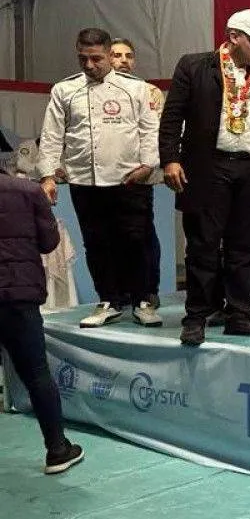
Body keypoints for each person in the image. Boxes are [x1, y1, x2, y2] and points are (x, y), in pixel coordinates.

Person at [160, 9, 250, 346]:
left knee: (245, 246)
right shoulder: (194, 66)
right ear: (234, 37)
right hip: (209, 167)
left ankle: (239, 313)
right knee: (203, 245)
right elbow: (172, 116)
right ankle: (196, 317)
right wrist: (170, 159)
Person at [37, 28, 162, 328]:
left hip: (129, 178)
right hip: (84, 180)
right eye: (83, 58)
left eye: (96, 58)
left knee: (136, 240)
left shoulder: (135, 88)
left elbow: (149, 129)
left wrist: (148, 165)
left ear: (108, 54)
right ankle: (108, 300)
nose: (89, 65)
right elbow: (52, 135)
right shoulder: (64, 90)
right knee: (96, 243)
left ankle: (143, 301)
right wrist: (47, 176)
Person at [0, 166, 85, 474]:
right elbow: (49, 242)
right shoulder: (28, 190)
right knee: (37, 374)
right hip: (19, 293)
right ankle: (58, 450)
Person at [111, 37, 166, 311]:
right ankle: (117, 292)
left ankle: (147, 291)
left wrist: (147, 166)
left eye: (128, 56)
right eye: (117, 55)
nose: (123, 60)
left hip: (138, 175)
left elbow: (155, 133)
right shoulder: (91, 91)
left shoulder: (149, 92)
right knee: (110, 236)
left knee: (141, 234)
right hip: (103, 177)